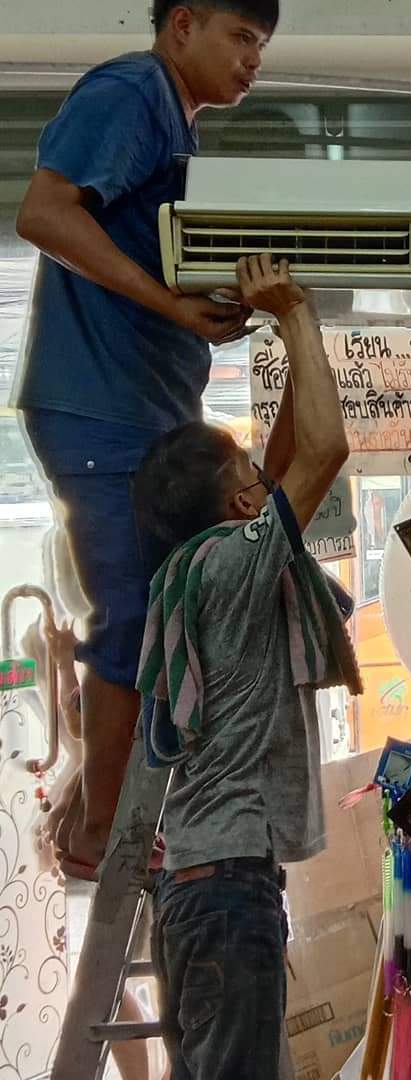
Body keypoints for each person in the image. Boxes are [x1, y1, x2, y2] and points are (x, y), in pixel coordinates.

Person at [13, 0, 280, 878]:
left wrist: (204, 304)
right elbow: (44, 214)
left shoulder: (173, 127)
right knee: (131, 617)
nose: (254, 60)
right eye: (242, 37)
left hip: (143, 407)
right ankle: (103, 833)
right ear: (183, 24)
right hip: (104, 407)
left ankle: (94, 813)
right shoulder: (133, 92)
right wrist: (171, 305)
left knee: (150, 615)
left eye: (261, 45)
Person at [132, 255, 359, 1078]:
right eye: (250, 478)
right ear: (239, 506)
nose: (265, 481)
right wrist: (293, 313)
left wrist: (300, 334)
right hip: (227, 895)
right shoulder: (234, 562)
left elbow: (288, 453)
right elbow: (323, 450)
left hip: (201, 885)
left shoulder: (193, 570)